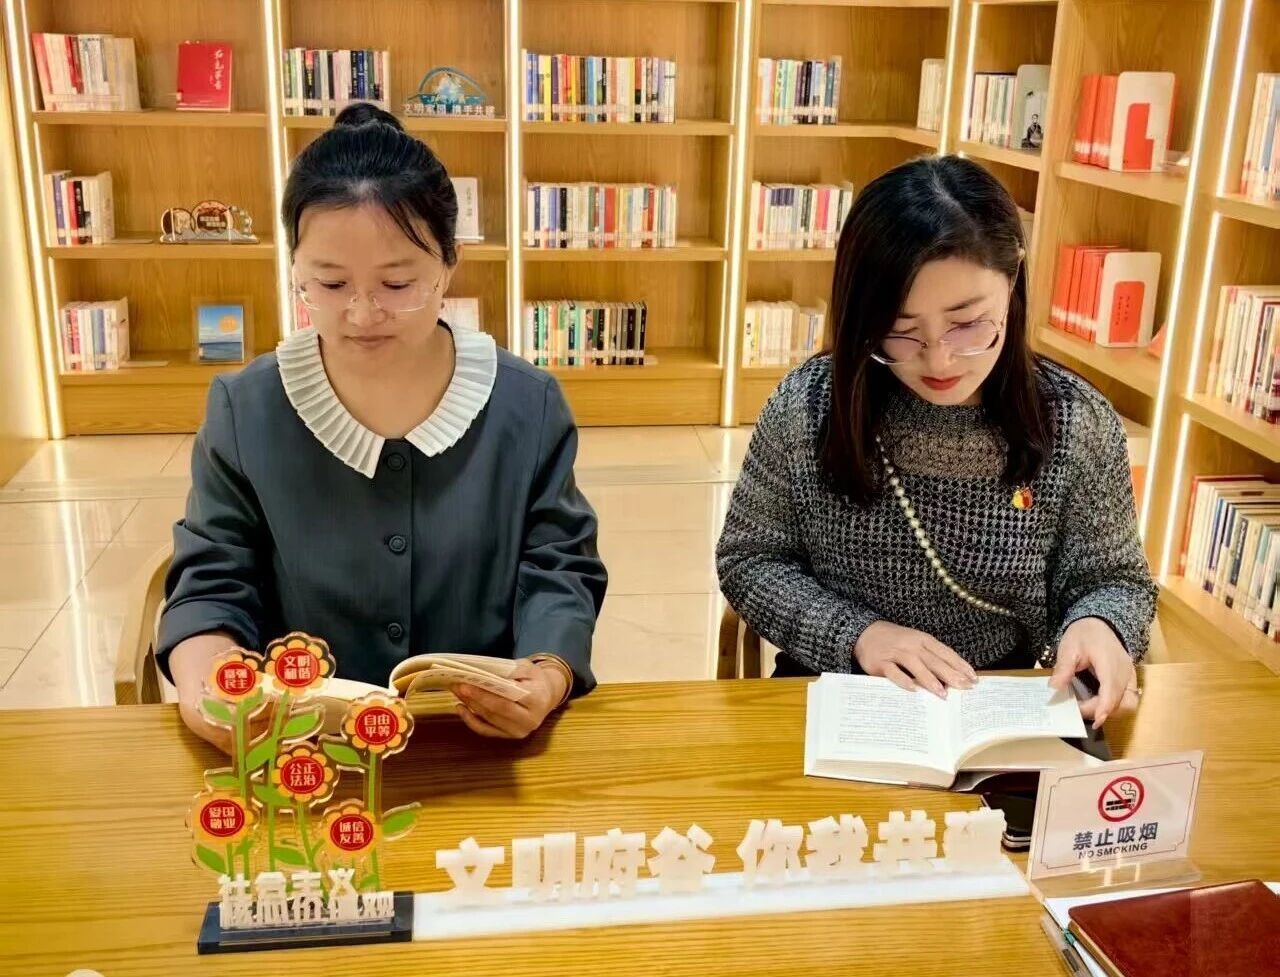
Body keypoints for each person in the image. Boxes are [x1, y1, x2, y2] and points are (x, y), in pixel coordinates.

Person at [160, 103, 607, 749]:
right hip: (305, 746)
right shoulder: (248, 408)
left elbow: (559, 565)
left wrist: (546, 674)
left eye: (398, 285)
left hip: (474, 743)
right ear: (295, 268)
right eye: (329, 283)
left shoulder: (525, 404)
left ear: (449, 264)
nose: (362, 313)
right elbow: (211, 581)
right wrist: (212, 690)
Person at [716, 156, 1155, 729]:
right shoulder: (809, 406)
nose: (939, 360)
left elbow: (1114, 579)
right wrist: (858, 635)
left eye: (967, 324)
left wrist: (1101, 625)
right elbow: (749, 559)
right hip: (835, 692)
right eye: (900, 332)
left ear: (1013, 282)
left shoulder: (1076, 422)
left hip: (1000, 703)